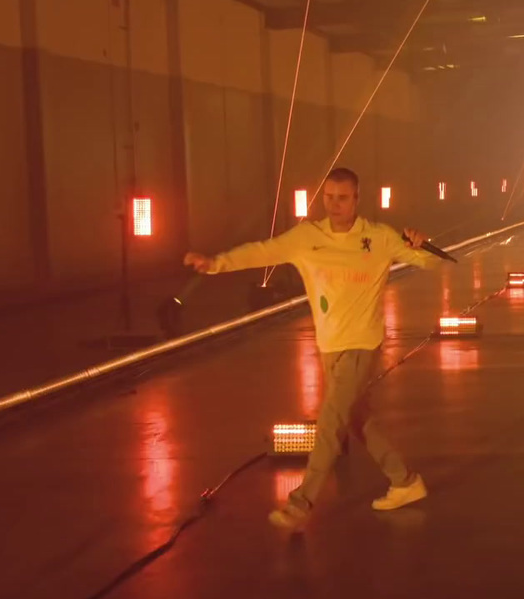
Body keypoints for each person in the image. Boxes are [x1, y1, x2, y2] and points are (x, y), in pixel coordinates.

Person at [184, 167, 441, 530]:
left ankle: (301, 503)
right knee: (356, 419)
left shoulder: (378, 237)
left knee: (330, 421)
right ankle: (406, 481)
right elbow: (263, 251)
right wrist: (215, 264)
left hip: (361, 345)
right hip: (329, 345)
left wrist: (421, 243)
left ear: (357, 199)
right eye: (329, 197)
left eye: (343, 198)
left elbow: (428, 260)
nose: (335, 204)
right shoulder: (308, 237)